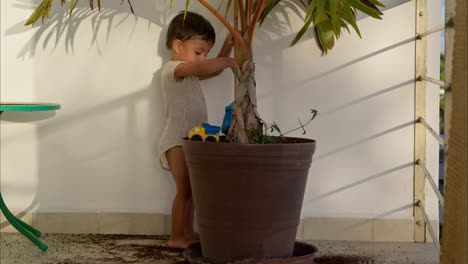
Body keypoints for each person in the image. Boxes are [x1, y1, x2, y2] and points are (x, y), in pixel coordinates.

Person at [159, 11, 237, 249]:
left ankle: (187, 231)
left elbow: (213, 70)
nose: (203, 58)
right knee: (183, 190)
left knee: (191, 190)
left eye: (206, 53)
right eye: (199, 52)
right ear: (177, 45)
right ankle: (176, 236)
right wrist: (230, 61)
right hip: (176, 140)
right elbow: (204, 69)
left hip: (191, 140)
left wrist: (228, 47)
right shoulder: (174, 69)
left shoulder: (191, 71)